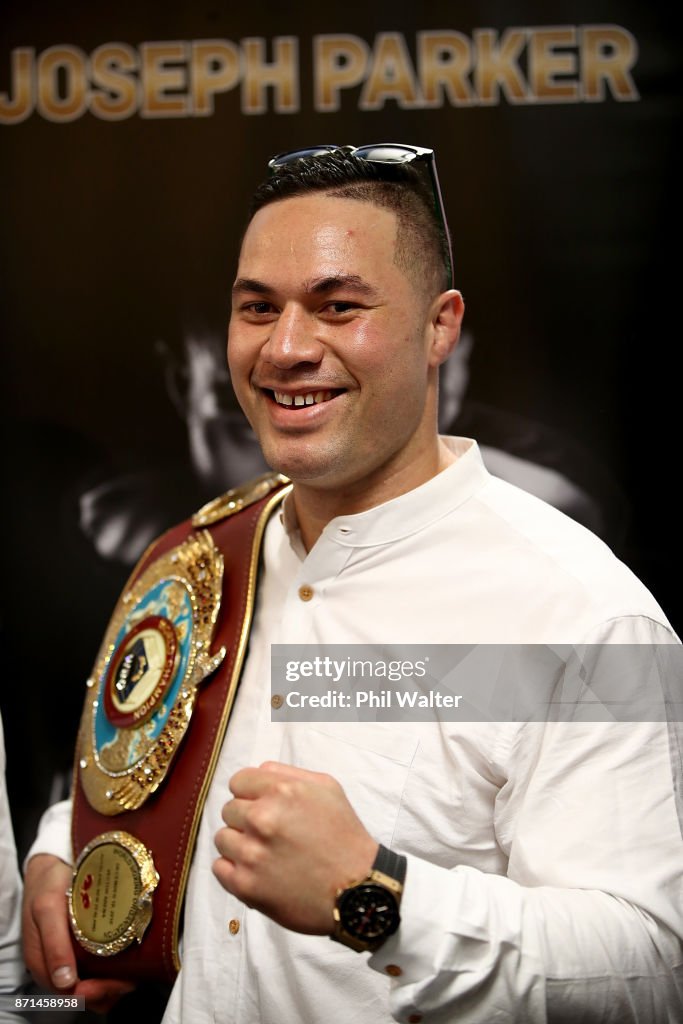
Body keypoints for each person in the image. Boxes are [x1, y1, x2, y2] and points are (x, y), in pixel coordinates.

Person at [22, 144, 682, 1023]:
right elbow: (131, 768)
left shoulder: (590, 614)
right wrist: (54, 849)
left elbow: (648, 968)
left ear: (440, 326)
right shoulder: (202, 558)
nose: (287, 347)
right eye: (258, 308)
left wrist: (370, 895)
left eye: (339, 306)